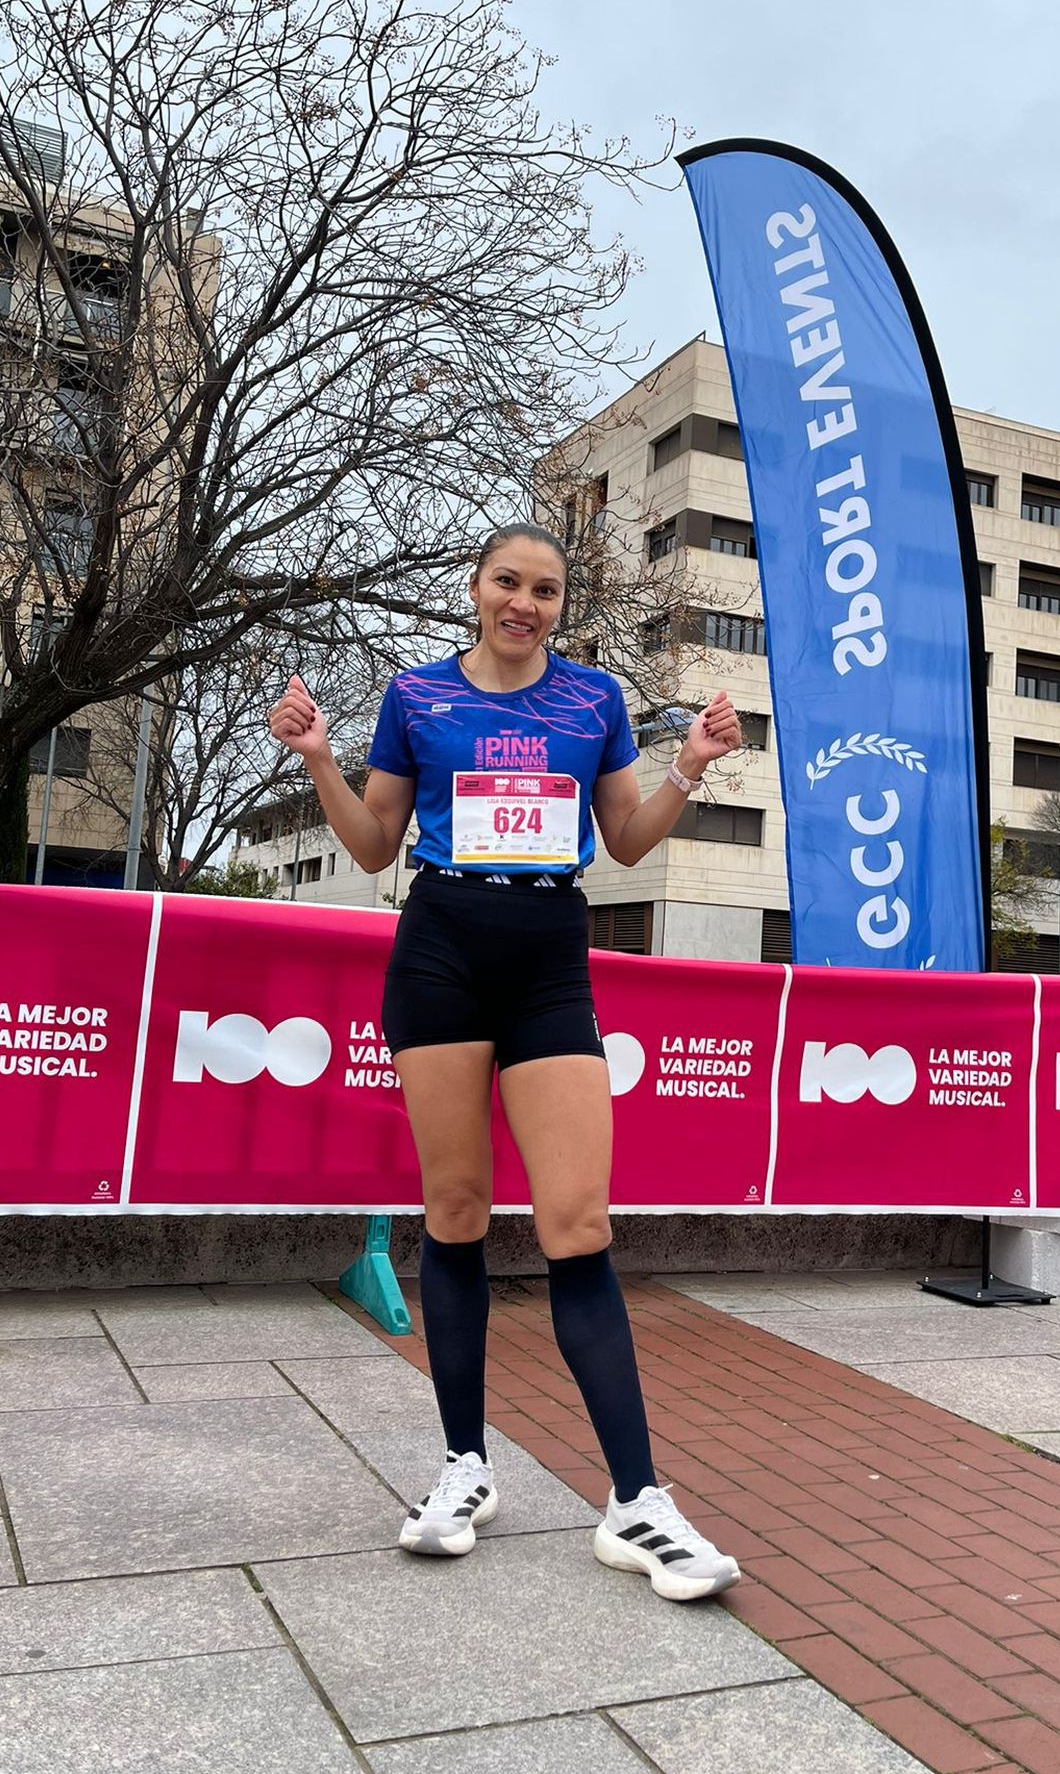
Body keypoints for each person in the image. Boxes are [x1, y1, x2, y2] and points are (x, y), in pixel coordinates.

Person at [268, 522, 743, 1602]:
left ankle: (635, 1502)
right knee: (456, 1213)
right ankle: (464, 1470)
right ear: (475, 589)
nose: (525, 602)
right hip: (438, 949)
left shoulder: (593, 702)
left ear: (559, 605)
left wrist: (690, 767)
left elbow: (624, 841)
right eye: (507, 583)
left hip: (546, 958)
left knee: (578, 1221)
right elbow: (374, 844)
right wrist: (318, 762)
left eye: (546, 590)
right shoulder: (416, 696)